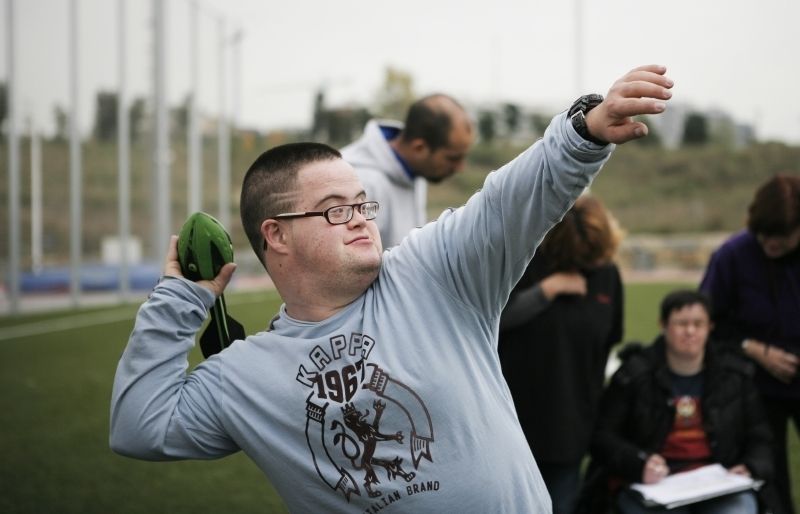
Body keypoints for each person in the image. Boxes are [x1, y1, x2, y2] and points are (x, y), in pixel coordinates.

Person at [109, 65, 673, 513]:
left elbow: (506, 201)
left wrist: (581, 132)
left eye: (362, 203)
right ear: (275, 236)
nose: (360, 218)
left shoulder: (434, 272)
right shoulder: (244, 375)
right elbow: (138, 425)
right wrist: (181, 300)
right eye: (335, 210)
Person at [587, 290, 774, 514]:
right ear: (663, 325)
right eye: (681, 323)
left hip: (718, 485)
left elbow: (761, 436)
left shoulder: (735, 376)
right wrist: (638, 463)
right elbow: (602, 436)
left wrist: (751, 466)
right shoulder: (634, 375)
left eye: (698, 323)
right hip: (654, 486)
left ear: (710, 327)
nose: (690, 331)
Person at [498, 193, 625, 514]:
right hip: (514, 430)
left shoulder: (608, 275)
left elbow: (609, 342)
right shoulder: (523, 265)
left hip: (573, 428)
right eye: (590, 257)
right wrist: (547, 291)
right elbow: (494, 321)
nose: (597, 264)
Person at [699, 174, 800, 514]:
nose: (771, 243)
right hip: (753, 388)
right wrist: (754, 349)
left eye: (782, 236)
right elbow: (709, 322)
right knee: (769, 482)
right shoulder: (731, 256)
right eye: (764, 234)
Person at [341, 93, 474, 247]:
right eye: (453, 158)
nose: (460, 167)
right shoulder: (359, 180)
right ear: (419, 148)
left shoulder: (414, 172)